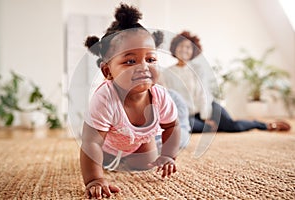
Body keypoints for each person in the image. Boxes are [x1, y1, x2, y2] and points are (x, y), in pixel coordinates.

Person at [80, 4, 181, 199]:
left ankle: (137, 155)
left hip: (141, 142)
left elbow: (172, 126)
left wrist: (168, 155)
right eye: (130, 61)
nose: (143, 67)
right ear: (108, 72)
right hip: (107, 144)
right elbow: (91, 142)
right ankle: (104, 164)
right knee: (102, 164)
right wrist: (94, 179)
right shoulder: (104, 98)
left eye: (150, 59)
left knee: (144, 166)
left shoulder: (160, 96)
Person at [160, 31, 291, 133]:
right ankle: (210, 127)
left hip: (208, 108)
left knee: (232, 126)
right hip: (189, 115)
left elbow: (203, 94)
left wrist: (206, 117)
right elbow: (170, 99)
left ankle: (264, 124)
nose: (184, 49)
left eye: (188, 47)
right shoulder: (166, 73)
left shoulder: (198, 69)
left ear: (193, 51)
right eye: (181, 46)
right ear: (175, 48)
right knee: (185, 128)